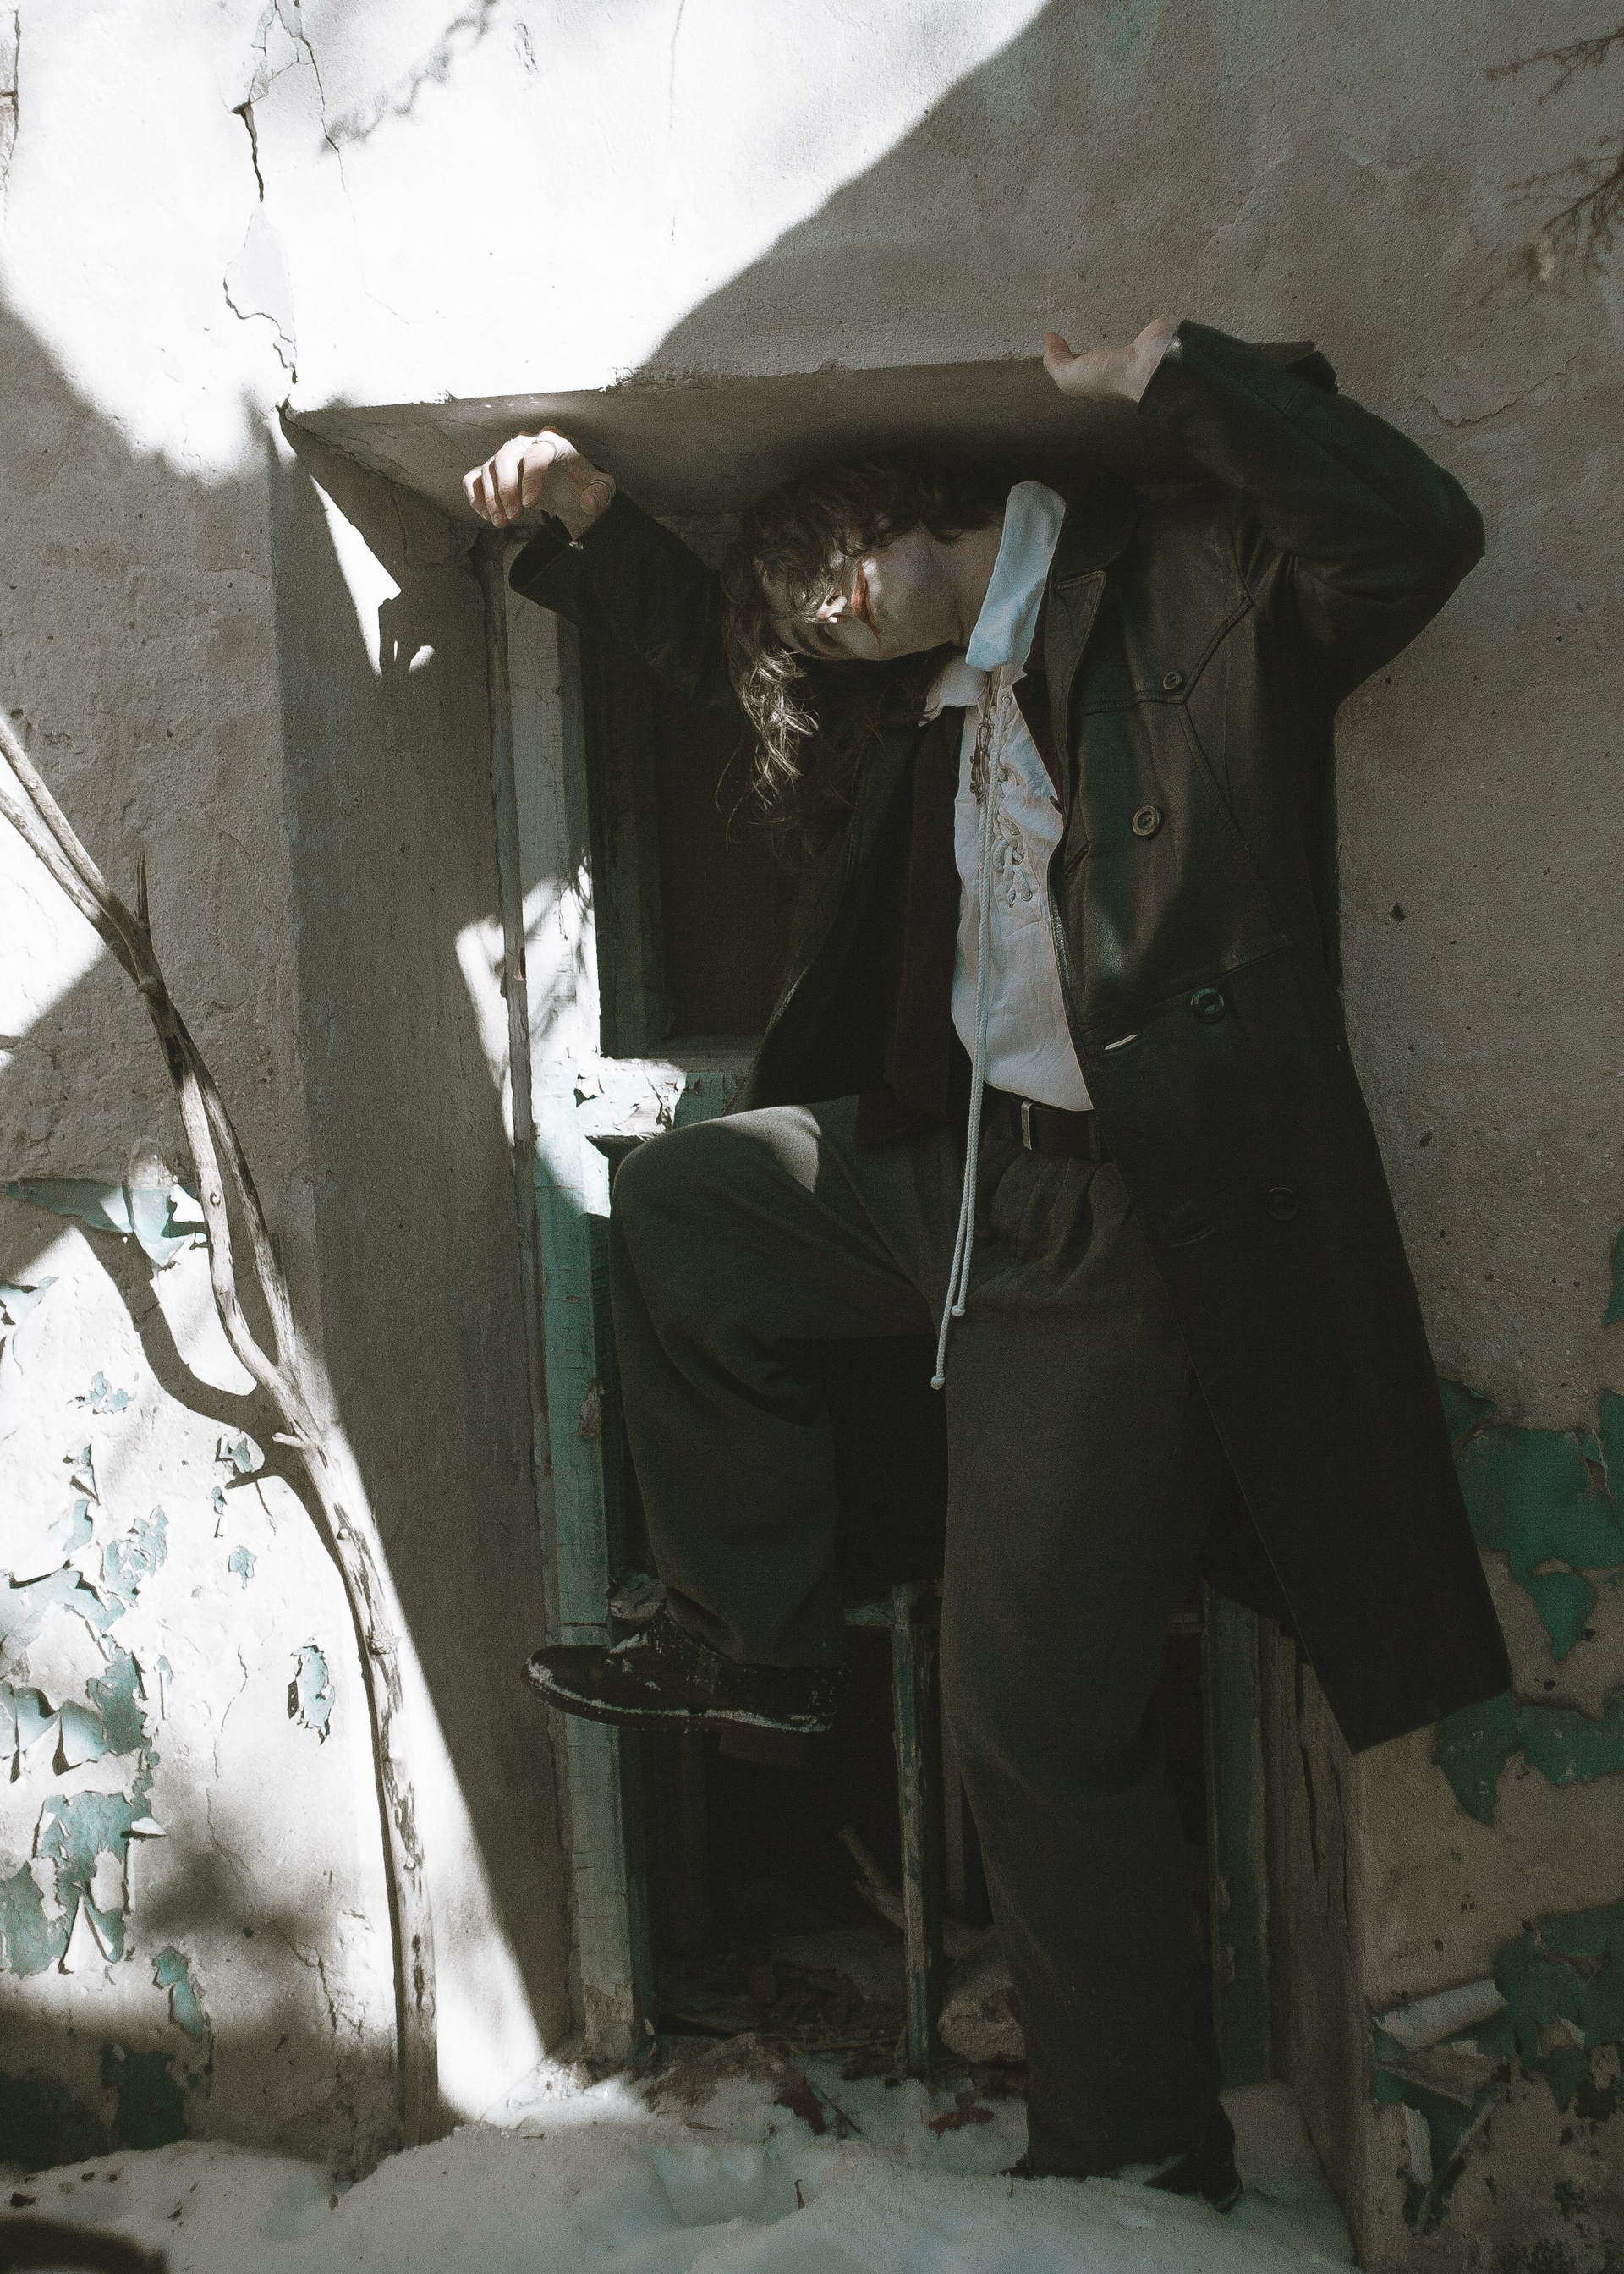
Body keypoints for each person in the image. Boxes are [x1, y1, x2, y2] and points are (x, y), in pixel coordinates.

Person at [464, 318, 1512, 2206]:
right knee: (689, 1203)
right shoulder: (923, 699)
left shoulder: (1169, 593)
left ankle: (1139, 2149)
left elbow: (1411, 541)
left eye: (839, 567)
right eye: (812, 615)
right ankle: (754, 1643)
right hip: (943, 1175)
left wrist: (1182, 374)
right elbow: (723, 655)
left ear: (913, 504)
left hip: (1117, 1227)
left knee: (1031, 1720)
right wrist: (592, 522)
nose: (836, 613)